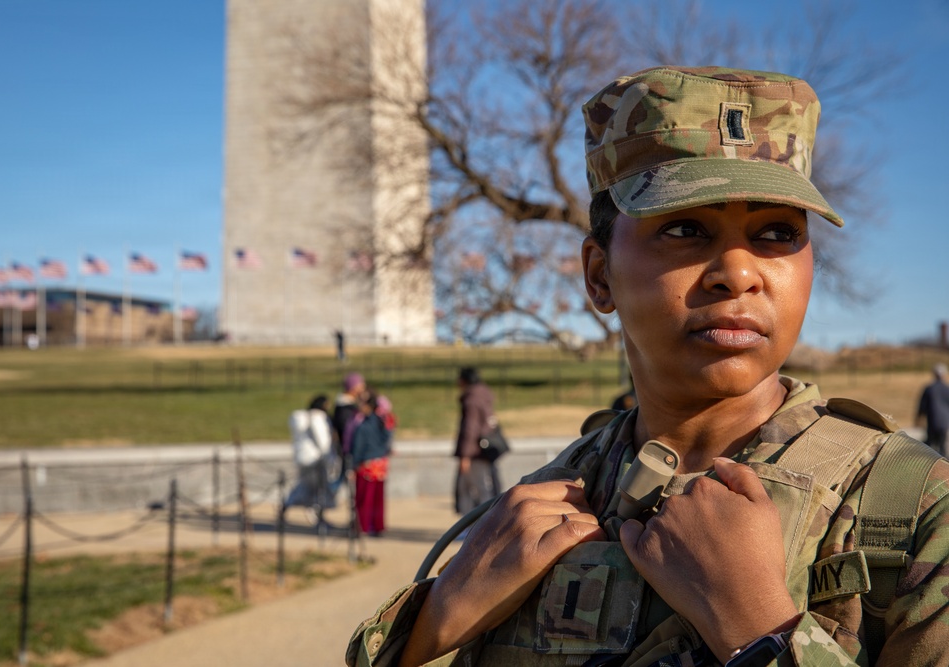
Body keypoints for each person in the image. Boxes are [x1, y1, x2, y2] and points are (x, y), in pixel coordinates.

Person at [347, 67, 949, 666]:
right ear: (598, 275)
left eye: (775, 232)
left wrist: (760, 625)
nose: (738, 273)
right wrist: (428, 628)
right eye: (684, 229)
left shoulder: (912, 510)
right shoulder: (543, 504)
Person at [453, 366, 500, 514]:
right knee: (484, 487)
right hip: (484, 449)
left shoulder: (472, 399)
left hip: (474, 452)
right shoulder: (483, 395)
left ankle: (469, 527)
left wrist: (465, 455)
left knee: (469, 488)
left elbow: (470, 429)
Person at [284, 394, 335, 527]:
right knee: (316, 488)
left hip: (302, 457)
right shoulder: (317, 418)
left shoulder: (299, 417)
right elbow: (322, 440)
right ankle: (316, 515)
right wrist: (328, 456)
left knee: (304, 485)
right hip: (315, 459)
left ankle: (286, 506)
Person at [351, 389, 392, 537]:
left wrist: (354, 464)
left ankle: (363, 526)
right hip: (380, 465)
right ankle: (378, 526)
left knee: (364, 498)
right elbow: (387, 439)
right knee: (378, 498)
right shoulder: (382, 422)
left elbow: (358, 447)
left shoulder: (363, 426)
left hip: (366, 465)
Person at [916, 363, 949, 457]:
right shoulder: (947, 389)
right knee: (942, 447)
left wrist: (918, 419)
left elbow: (922, 406)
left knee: (930, 447)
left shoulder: (929, 389)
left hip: (933, 421)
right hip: (944, 422)